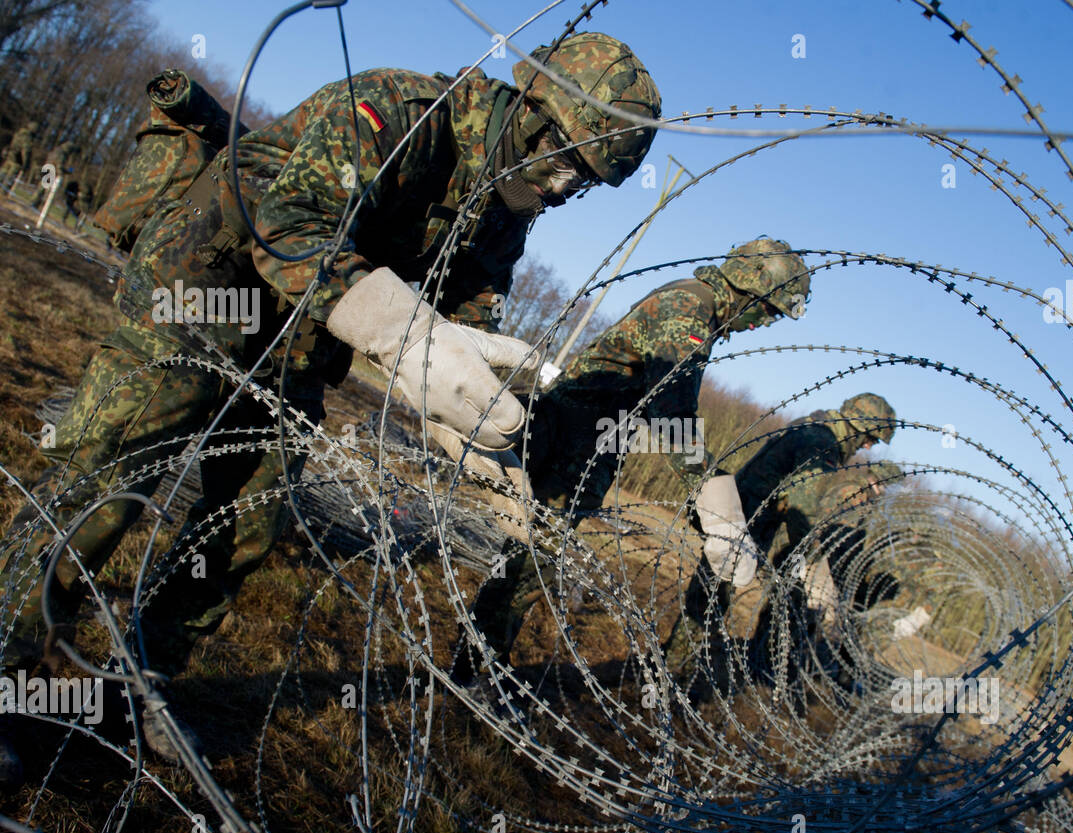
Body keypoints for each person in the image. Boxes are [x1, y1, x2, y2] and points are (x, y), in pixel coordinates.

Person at [0, 32, 661, 784]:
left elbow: (472, 307)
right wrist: (398, 333)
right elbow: (287, 220)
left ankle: (134, 674)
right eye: (571, 163)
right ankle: (12, 666)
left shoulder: (507, 207)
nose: (568, 190)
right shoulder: (400, 113)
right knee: (111, 473)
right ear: (539, 117)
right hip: (204, 279)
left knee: (252, 515)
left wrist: (473, 413)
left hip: (303, 337)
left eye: (589, 182)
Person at [452, 239, 813, 695]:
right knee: (531, 557)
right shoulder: (690, 308)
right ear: (752, 288)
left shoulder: (698, 307)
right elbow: (671, 407)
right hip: (578, 440)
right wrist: (714, 497)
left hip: (594, 441)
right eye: (768, 310)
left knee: (532, 555)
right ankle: (474, 667)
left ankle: (477, 660)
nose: (763, 323)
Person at [663, 393, 897, 696]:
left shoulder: (816, 428)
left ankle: (672, 666)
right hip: (745, 520)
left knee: (709, 595)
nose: (867, 446)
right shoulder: (821, 441)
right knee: (711, 598)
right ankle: (672, 675)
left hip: (746, 513)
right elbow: (803, 503)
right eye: (869, 439)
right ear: (857, 427)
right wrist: (810, 561)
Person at [0, 120, 37, 191]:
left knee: (3, 173)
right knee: (10, 178)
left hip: (10, 155)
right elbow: (25, 151)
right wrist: (25, 164)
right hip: (17, 160)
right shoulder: (27, 138)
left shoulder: (19, 133)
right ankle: (3, 194)